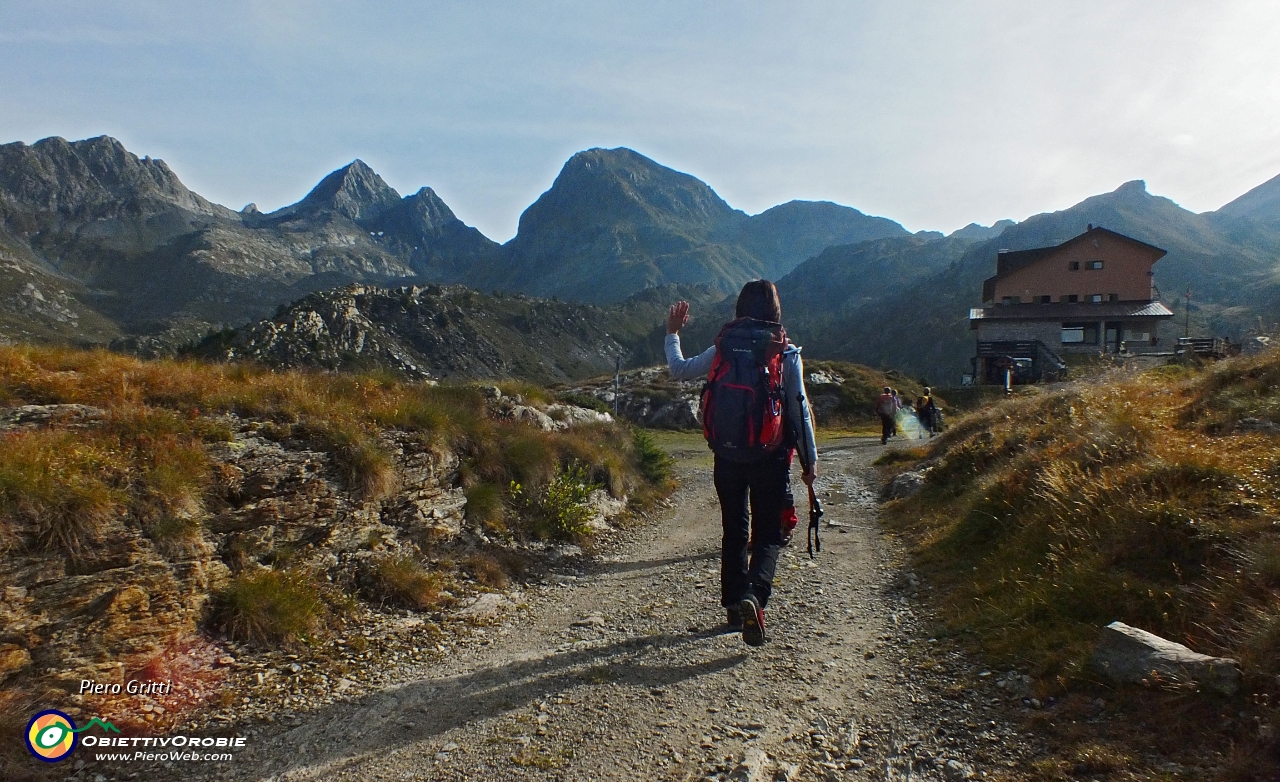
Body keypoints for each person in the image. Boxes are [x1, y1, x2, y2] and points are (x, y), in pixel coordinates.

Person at [666, 281, 817, 647]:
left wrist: (672, 334)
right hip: (770, 455)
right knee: (766, 535)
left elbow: (679, 369)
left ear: (739, 308)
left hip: (727, 453)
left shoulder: (724, 347)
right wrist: (809, 461)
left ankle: (734, 606)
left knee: (734, 529)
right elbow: (799, 410)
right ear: (776, 311)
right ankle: (755, 596)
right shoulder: (785, 351)